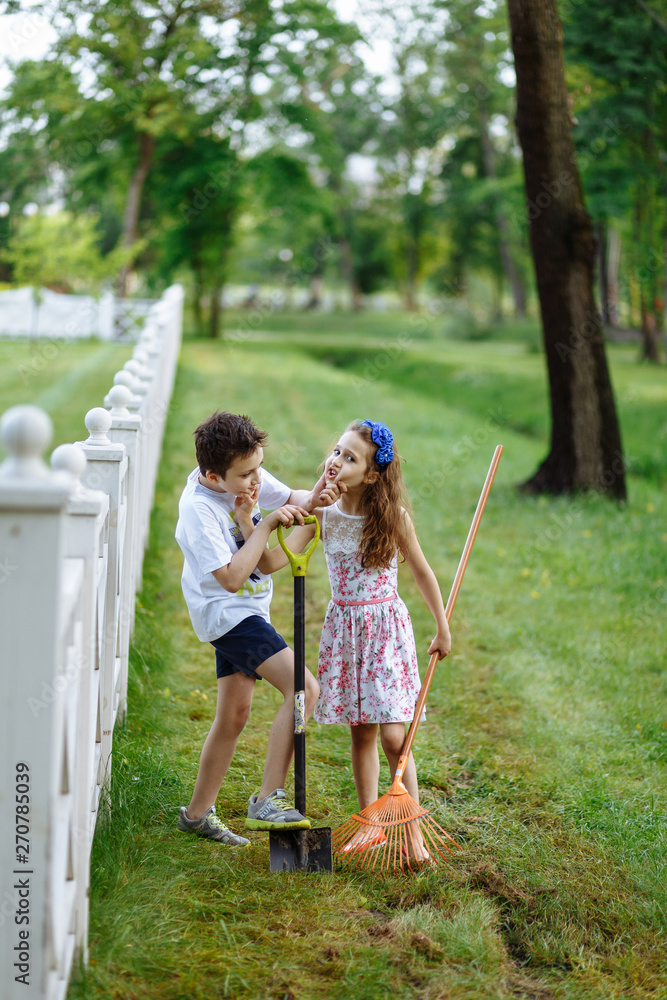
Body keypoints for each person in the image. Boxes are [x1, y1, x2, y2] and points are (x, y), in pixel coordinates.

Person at [174, 410, 339, 847]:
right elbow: (230, 577)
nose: (257, 481)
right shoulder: (198, 510)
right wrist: (263, 524)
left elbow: (296, 498)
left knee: (234, 715)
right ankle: (268, 797)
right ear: (213, 474)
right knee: (304, 689)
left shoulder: (246, 477)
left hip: (247, 612)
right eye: (247, 474)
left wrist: (319, 494)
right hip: (229, 616)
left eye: (259, 468)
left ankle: (195, 816)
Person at [312, 419, 451, 860]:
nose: (336, 461)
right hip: (346, 632)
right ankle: (370, 822)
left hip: (384, 633)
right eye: (337, 451)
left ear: (371, 475)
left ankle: (412, 833)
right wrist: (252, 522)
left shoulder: (392, 518)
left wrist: (442, 625)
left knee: (395, 736)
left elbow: (422, 572)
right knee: (362, 732)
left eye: (349, 457)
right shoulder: (324, 515)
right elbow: (280, 556)